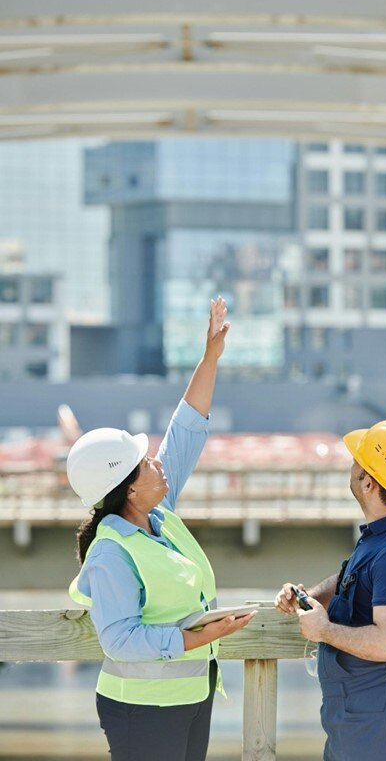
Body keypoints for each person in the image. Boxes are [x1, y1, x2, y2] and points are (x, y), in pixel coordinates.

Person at [67, 297, 255, 761]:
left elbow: (186, 429)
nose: (158, 462)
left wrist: (209, 358)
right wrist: (200, 638)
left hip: (191, 696)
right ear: (128, 488)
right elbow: (120, 640)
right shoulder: (112, 552)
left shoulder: (159, 514)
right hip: (142, 711)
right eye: (146, 462)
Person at [275, 420, 386, 761]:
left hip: (382, 722)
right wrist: (306, 596)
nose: (351, 465)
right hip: (365, 717)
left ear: (368, 482)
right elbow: (352, 580)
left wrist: (323, 630)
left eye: (358, 461)